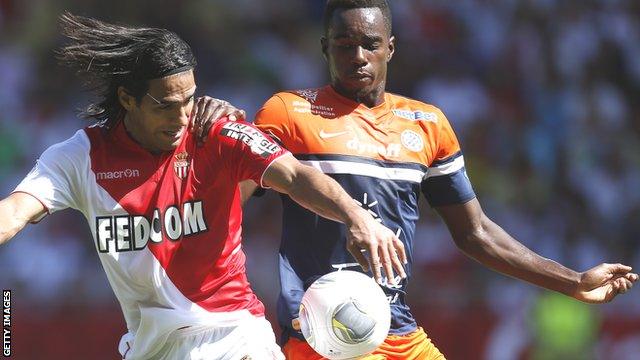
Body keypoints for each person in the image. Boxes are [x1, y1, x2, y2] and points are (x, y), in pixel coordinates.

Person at [192, 1, 638, 359]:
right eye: (344, 44)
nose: (358, 56)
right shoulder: (287, 112)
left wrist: (572, 281)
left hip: (396, 329)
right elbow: (221, 207)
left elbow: (476, 233)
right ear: (325, 47)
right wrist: (215, 136)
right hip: (323, 334)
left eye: (370, 43)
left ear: (391, 47)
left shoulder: (428, 125)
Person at [0, 12, 407, 360]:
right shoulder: (80, 157)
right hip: (150, 347)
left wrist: (357, 216)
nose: (181, 116)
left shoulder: (217, 132)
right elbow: (14, 211)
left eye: (189, 99)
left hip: (235, 337)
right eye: (165, 104)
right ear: (127, 98)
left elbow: (297, 176)